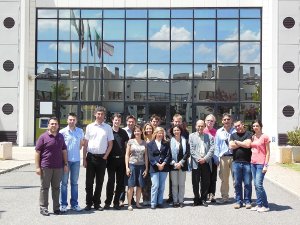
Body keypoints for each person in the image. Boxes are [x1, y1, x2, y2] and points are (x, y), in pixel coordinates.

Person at [35, 117, 68, 216]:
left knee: (56, 188)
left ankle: (56, 208)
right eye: (52, 124)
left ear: (58, 125)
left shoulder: (61, 136)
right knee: (45, 188)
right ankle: (43, 207)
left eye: (55, 124)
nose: (54, 125)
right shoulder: (43, 137)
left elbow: (64, 151)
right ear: (48, 125)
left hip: (58, 167)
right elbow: (37, 152)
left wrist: (65, 164)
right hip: (46, 167)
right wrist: (37, 167)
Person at [83, 106, 114, 211]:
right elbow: (85, 144)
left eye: (102, 114)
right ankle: (88, 203)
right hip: (91, 157)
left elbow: (110, 144)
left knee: (99, 182)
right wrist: (84, 158)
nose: (100, 116)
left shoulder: (108, 128)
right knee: (89, 182)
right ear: (95, 114)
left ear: (104, 116)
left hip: (102, 158)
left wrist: (105, 156)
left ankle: (97, 203)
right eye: (98, 114)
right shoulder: (89, 127)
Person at [59, 113, 85, 212]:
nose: (72, 121)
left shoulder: (80, 131)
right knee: (64, 183)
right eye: (70, 119)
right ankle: (63, 204)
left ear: (76, 121)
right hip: (65, 161)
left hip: (76, 161)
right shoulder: (62, 132)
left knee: (74, 183)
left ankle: (74, 204)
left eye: (73, 120)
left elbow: (81, 145)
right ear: (67, 121)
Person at [104, 113, 129, 210]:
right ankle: (107, 202)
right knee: (111, 181)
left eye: (119, 120)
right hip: (111, 160)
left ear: (120, 121)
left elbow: (127, 145)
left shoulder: (123, 132)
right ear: (112, 120)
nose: (117, 122)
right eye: (115, 120)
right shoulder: (108, 131)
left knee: (120, 182)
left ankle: (116, 202)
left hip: (121, 160)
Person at [189, 120, 215, 207]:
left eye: (202, 126)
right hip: (196, 162)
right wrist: (198, 158)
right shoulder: (191, 136)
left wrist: (205, 158)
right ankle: (196, 199)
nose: (200, 128)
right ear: (196, 126)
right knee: (195, 182)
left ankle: (203, 199)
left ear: (204, 127)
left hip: (206, 162)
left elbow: (212, 149)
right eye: (198, 126)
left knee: (205, 181)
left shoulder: (209, 137)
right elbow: (191, 150)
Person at [166, 113, 190, 204]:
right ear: (173, 121)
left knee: (181, 182)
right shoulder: (169, 132)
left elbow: (187, 148)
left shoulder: (186, 132)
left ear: (181, 122)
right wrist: (173, 162)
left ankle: (180, 199)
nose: (177, 123)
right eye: (176, 121)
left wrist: (182, 162)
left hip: (182, 161)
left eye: (179, 121)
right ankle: (171, 197)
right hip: (172, 161)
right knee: (172, 181)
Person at [229, 120, 252, 209]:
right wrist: (243, 143)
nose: (237, 127)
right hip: (236, 162)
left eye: (239, 125)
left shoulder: (249, 133)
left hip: (247, 162)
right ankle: (238, 201)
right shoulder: (233, 135)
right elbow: (231, 146)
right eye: (235, 126)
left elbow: (248, 145)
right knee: (237, 183)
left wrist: (237, 142)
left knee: (247, 183)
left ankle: (248, 201)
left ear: (243, 125)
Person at [125, 125, 148, 211]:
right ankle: (129, 204)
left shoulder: (144, 142)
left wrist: (146, 168)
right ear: (133, 132)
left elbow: (146, 156)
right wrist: (127, 167)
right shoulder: (130, 141)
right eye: (135, 131)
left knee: (139, 186)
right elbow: (127, 155)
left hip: (141, 166)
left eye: (138, 131)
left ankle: (138, 203)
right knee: (131, 186)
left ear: (141, 132)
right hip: (132, 165)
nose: (137, 133)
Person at [147, 127, 171, 209]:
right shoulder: (150, 144)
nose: (160, 134)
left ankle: (160, 202)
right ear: (155, 133)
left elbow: (168, 155)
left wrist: (163, 164)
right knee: (155, 185)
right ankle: (153, 203)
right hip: (154, 167)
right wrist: (157, 164)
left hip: (164, 167)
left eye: (162, 133)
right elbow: (150, 157)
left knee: (162, 186)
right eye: (159, 133)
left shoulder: (166, 143)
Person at [214, 113, 235, 204]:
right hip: (223, 158)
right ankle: (225, 197)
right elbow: (216, 146)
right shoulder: (219, 132)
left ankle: (238, 196)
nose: (226, 121)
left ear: (231, 120)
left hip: (235, 157)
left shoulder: (235, 131)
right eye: (225, 119)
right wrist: (216, 158)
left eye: (228, 119)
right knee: (224, 179)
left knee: (236, 178)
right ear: (222, 121)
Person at [250, 120, 270, 212]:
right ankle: (259, 205)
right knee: (256, 185)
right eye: (253, 126)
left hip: (261, 164)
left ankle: (265, 206)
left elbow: (268, 152)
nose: (255, 127)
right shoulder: (253, 137)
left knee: (259, 185)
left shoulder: (265, 137)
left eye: (257, 126)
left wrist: (266, 165)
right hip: (253, 163)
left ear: (261, 126)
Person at [203, 114, 217, 203]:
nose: (210, 122)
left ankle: (212, 194)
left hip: (214, 157)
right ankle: (205, 193)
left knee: (213, 177)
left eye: (212, 121)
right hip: (204, 157)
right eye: (208, 120)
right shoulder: (202, 131)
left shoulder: (217, 132)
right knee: (205, 177)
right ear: (205, 121)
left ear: (214, 122)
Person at [141, 123, 154, 206]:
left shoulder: (154, 138)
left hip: (153, 163)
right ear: (144, 130)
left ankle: (151, 198)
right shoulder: (143, 139)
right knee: (144, 181)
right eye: (147, 129)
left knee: (152, 182)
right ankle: (145, 198)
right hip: (143, 162)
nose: (148, 130)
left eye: (150, 128)